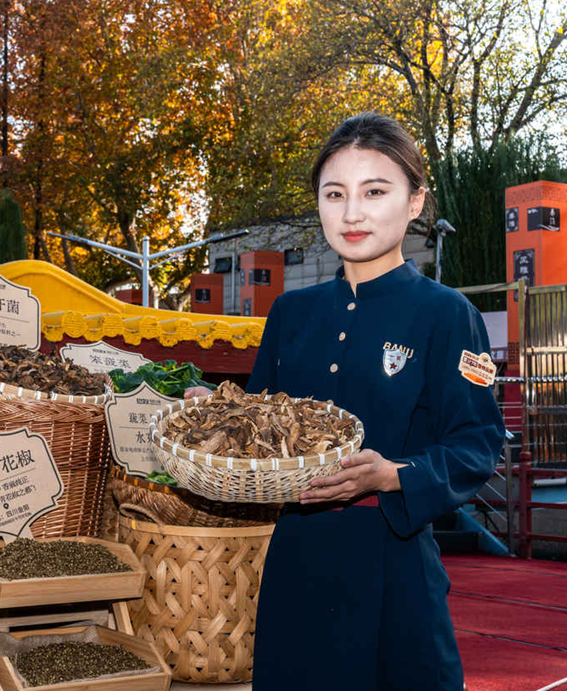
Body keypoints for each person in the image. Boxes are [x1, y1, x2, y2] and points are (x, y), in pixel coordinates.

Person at [190, 113, 504, 690]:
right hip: (295, 565)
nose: (352, 212)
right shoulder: (290, 315)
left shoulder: (446, 314)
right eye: (335, 194)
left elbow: (478, 443)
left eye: (375, 192)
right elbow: (256, 431)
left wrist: (393, 474)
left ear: (415, 202)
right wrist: (210, 414)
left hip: (395, 568)